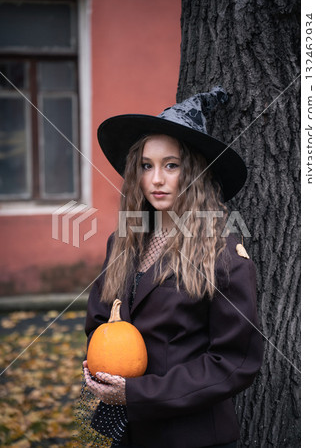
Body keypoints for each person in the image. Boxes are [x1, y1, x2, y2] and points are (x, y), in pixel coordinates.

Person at [83, 87, 264, 448]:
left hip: (192, 436)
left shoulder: (222, 253)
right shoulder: (123, 242)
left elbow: (234, 362)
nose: (156, 180)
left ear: (194, 172)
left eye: (171, 165)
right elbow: (100, 321)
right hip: (130, 432)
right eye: (147, 166)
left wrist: (139, 392)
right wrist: (101, 369)